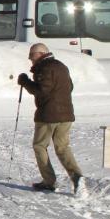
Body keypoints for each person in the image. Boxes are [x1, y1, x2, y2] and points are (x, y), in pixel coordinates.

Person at [17, 43, 84, 194]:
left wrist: (25, 82)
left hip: (48, 115)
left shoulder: (45, 68)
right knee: (62, 148)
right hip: (66, 115)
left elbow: (41, 91)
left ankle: (49, 181)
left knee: (39, 146)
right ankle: (78, 178)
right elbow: (70, 87)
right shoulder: (61, 66)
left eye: (32, 56)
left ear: (40, 54)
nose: (30, 59)